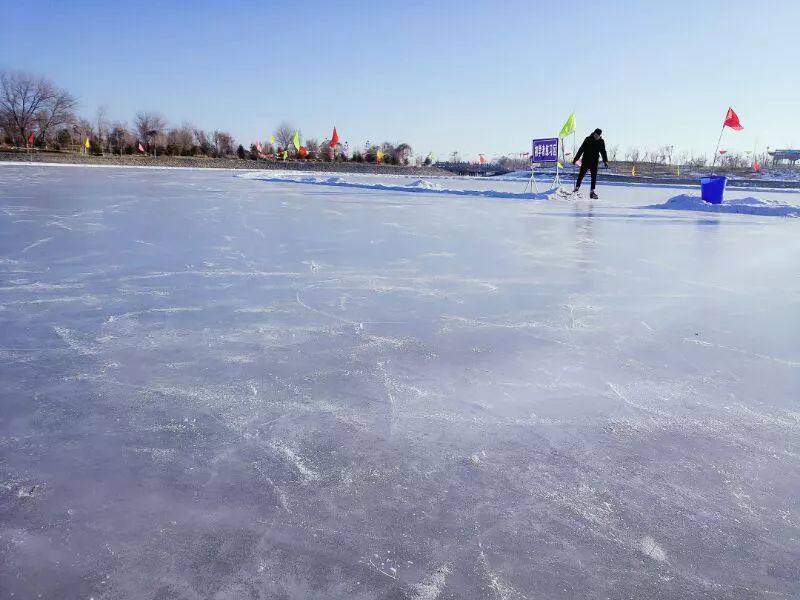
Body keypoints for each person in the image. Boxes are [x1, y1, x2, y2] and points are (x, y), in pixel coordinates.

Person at [573, 128, 608, 199]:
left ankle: (592, 192)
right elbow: (581, 149)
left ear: (600, 136)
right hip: (586, 160)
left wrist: (605, 161)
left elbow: (603, 151)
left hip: (594, 161)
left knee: (594, 177)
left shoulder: (601, 141)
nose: (596, 136)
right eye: (596, 135)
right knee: (581, 175)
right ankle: (577, 188)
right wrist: (576, 159)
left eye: (598, 136)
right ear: (594, 133)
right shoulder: (588, 139)